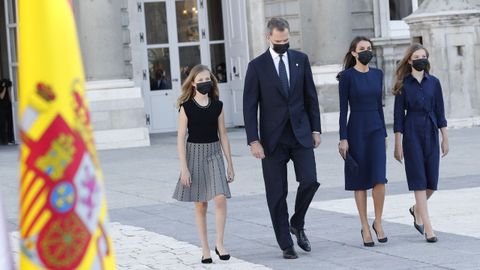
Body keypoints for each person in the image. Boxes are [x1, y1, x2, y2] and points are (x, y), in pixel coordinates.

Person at [243, 17, 321, 259]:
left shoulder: (301, 60)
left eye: (286, 40)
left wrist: (316, 129)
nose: (283, 44)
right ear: (269, 38)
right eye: (278, 41)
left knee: (310, 180)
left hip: (300, 133)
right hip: (272, 139)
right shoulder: (257, 66)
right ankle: (286, 243)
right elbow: (249, 106)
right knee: (276, 193)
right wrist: (253, 140)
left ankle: (297, 222)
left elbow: (311, 97)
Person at [172, 64, 235, 263]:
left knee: (220, 199)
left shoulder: (218, 105)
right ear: (192, 84)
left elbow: (223, 135)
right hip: (194, 155)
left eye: (207, 79)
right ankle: (205, 248)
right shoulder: (186, 107)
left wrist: (230, 164)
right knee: (200, 205)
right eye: (200, 81)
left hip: (214, 153)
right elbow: (180, 138)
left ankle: (220, 243)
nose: (204, 83)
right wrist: (184, 168)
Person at [393, 43, 449, 243]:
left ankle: (417, 209)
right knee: (418, 179)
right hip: (412, 132)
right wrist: (397, 144)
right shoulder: (403, 84)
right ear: (410, 60)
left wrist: (445, 137)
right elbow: (398, 117)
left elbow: (440, 112)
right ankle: (428, 228)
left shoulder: (434, 83)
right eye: (417, 56)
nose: (421, 60)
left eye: (423, 56)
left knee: (431, 182)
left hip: (431, 130)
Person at [337, 36, 388, 247]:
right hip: (356, 129)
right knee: (360, 181)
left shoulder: (378, 74)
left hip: (376, 129)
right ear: (354, 53)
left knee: (379, 179)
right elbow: (342, 110)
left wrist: (384, 133)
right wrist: (343, 138)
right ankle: (365, 226)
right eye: (362, 49)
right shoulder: (347, 77)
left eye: (369, 48)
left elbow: (379, 106)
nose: (367, 51)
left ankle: (378, 221)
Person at [0, 79, 14, 145]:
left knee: (10, 123)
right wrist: (4, 87)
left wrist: (8, 88)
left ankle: (10, 139)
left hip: (8, 106)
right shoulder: (1, 86)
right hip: (2, 107)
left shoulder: (8, 87)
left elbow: (10, 98)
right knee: (3, 124)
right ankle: (4, 140)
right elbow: (1, 96)